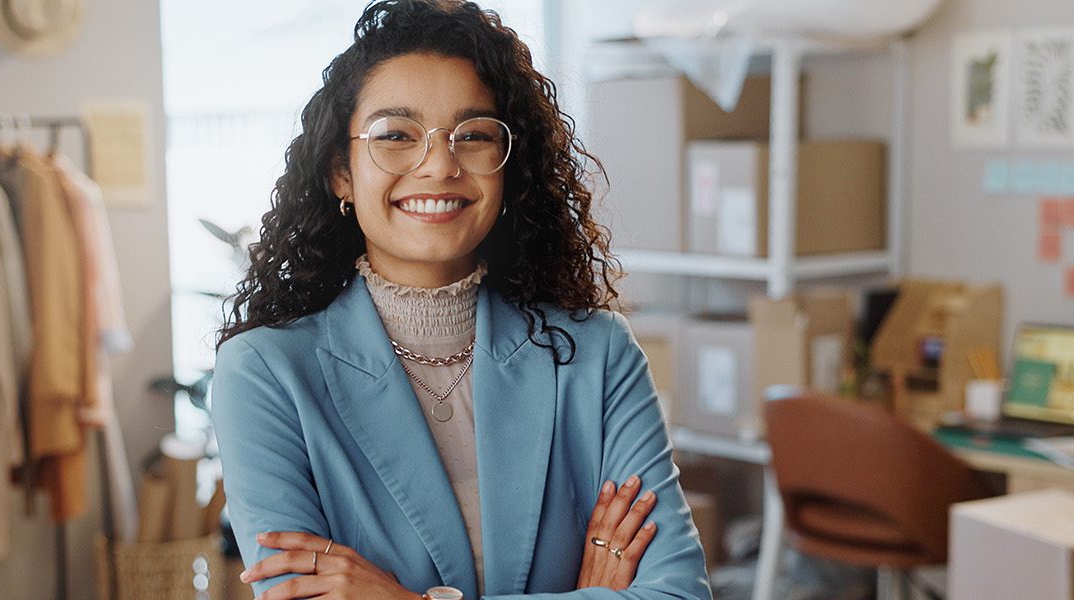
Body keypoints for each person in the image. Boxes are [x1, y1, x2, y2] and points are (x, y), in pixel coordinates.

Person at [209, 1, 711, 598]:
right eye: (395, 135)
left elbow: (678, 593)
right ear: (340, 172)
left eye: (472, 135)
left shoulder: (596, 353)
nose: (440, 165)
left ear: (509, 168)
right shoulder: (265, 373)